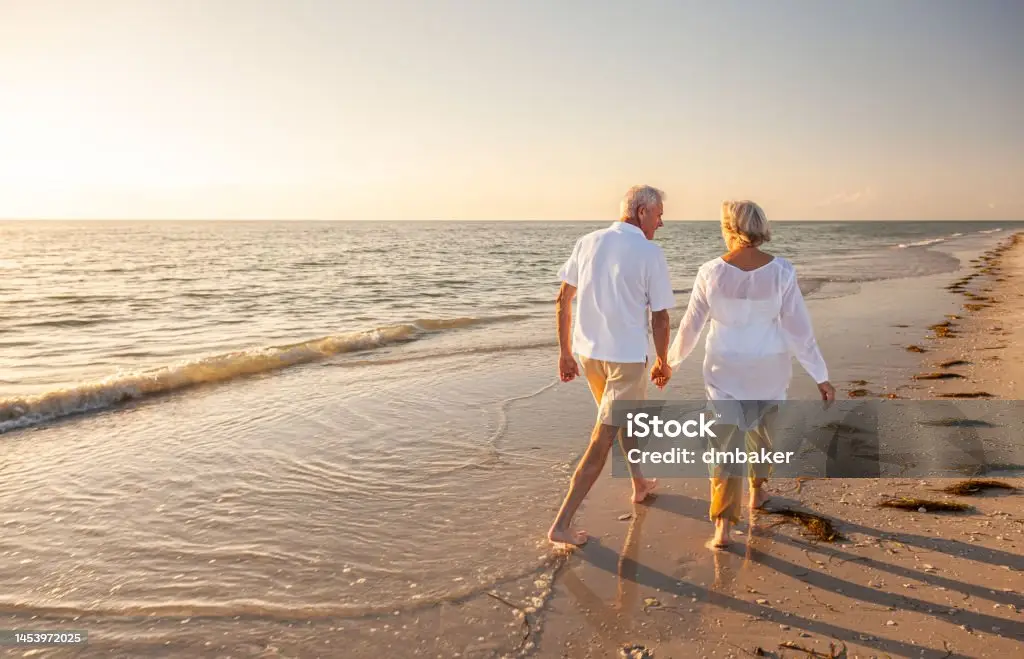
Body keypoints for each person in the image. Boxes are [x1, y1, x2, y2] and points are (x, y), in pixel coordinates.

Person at [667, 200, 835, 549]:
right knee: (762, 434)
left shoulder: (710, 272)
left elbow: (690, 328)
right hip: (769, 369)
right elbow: (798, 330)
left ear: (730, 228)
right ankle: (757, 494)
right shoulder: (782, 271)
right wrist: (820, 375)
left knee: (725, 445)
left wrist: (669, 363)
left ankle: (723, 529)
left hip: (724, 368)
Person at [548, 185, 676, 547]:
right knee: (602, 437)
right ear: (641, 212)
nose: (662, 222)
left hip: (589, 355)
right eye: (659, 214)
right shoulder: (650, 253)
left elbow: (562, 301)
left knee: (623, 421)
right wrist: (664, 361)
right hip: (625, 360)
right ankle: (561, 524)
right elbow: (661, 317)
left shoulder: (587, 241)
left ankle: (639, 483)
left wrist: (565, 353)